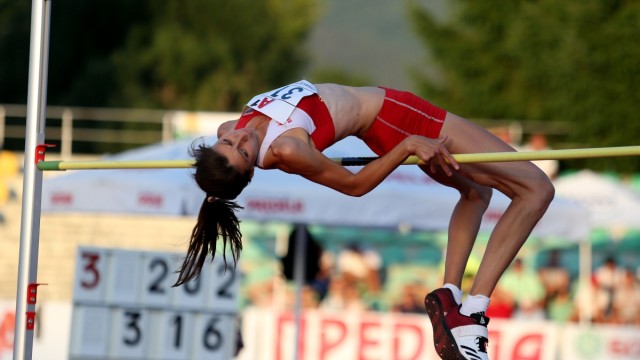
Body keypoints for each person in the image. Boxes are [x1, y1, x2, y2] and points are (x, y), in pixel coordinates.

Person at [173, 80, 554, 360]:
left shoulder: (228, 127)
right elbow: (355, 186)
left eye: (232, 143)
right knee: (537, 189)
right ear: (252, 172)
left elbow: (234, 140)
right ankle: (473, 312)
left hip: (384, 123)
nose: (241, 139)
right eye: (243, 153)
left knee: (476, 193)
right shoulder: (286, 149)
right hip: (397, 116)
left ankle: (449, 297)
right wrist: (407, 145)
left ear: (217, 141)